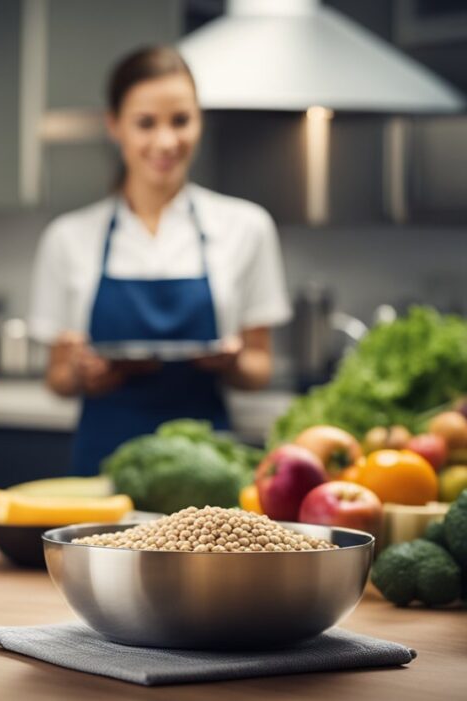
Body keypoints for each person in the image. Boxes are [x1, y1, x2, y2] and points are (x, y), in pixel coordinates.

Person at [28, 46, 291, 475]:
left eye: (181, 121)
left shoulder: (247, 227)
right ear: (115, 126)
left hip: (207, 468)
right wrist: (81, 374)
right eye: (146, 123)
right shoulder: (68, 238)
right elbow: (57, 378)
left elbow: (259, 368)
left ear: (200, 122)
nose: (166, 141)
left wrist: (233, 361)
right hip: (102, 469)